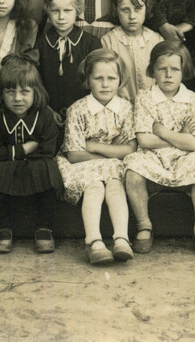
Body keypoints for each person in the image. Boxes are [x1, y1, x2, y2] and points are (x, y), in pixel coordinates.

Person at [123, 41, 195, 257]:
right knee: (133, 168)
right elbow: (144, 140)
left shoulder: (191, 99)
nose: (168, 75)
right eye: (162, 69)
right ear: (152, 70)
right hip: (152, 155)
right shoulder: (145, 97)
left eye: (175, 69)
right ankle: (144, 225)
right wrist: (180, 136)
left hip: (184, 156)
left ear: (183, 71)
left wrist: (163, 132)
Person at [56, 49, 137, 265]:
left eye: (111, 78)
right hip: (83, 165)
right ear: (87, 79)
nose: (105, 84)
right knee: (94, 187)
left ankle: (121, 239)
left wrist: (94, 146)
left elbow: (131, 148)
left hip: (112, 166)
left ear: (120, 80)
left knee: (115, 187)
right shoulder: (77, 109)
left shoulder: (125, 109)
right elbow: (74, 154)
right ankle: (93, 242)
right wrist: (111, 151)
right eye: (98, 78)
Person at [0, 55, 64, 254]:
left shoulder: (44, 115)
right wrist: (25, 149)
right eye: (10, 92)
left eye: (25, 91)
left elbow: (48, 149)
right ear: (1, 93)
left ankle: (44, 227)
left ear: (36, 92)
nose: (18, 98)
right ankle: (3, 228)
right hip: (7, 165)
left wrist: (14, 155)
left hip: (35, 164)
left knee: (48, 167)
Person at [34, 0, 100, 125]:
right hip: (48, 116)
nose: (61, 17)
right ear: (47, 10)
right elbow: (35, 83)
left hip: (84, 116)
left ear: (77, 10)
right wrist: (46, 110)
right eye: (55, 11)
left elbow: (97, 82)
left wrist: (81, 112)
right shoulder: (40, 44)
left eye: (67, 10)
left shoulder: (91, 43)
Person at [100, 0, 162, 103]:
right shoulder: (108, 42)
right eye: (125, 10)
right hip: (121, 107)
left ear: (146, 8)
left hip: (152, 106)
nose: (132, 16)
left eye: (137, 9)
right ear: (116, 10)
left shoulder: (157, 40)